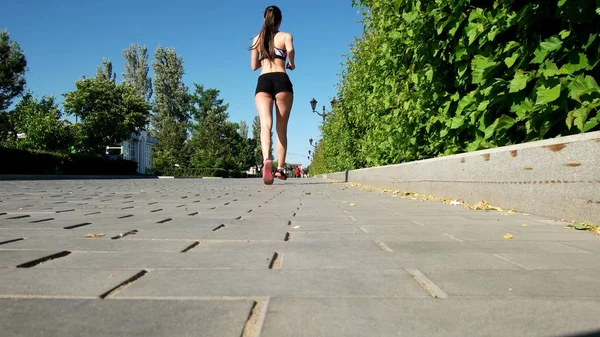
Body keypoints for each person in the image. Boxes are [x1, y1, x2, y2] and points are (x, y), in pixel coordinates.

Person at [249, 5, 295, 185]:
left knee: (265, 124)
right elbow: (290, 50)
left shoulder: (257, 39)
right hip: (282, 79)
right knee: (281, 128)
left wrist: (265, 56)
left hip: (263, 81)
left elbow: (253, 67)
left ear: (264, 19)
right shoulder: (286, 36)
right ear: (280, 20)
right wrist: (291, 62)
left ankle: (266, 159)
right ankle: (281, 170)